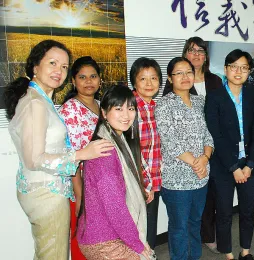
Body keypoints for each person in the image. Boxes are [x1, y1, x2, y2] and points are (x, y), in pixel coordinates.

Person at [4, 40, 113, 259]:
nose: (59, 71)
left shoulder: (39, 99)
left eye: (64, 66)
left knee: (48, 252)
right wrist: (82, 154)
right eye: (53, 63)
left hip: (45, 190)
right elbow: (35, 159)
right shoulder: (35, 103)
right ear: (35, 66)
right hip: (46, 194)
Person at [77, 85, 154, 260]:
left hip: (107, 232)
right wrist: (137, 244)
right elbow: (115, 207)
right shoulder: (105, 151)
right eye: (118, 108)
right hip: (104, 240)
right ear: (104, 112)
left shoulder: (117, 140)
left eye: (130, 108)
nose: (126, 115)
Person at [205, 49, 254, 260]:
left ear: (249, 70)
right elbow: (215, 135)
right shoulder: (214, 96)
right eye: (234, 67)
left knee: (248, 210)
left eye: (244, 67)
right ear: (226, 69)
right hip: (223, 165)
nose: (238, 71)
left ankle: (245, 251)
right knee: (225, 213)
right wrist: (233, 167)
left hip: (248, 163)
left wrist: (250, 164)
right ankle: (228, 254)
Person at [155, 57, 214, 260]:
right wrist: (196, 163)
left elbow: (208, 134)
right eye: (178, 73)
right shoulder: (163, 104)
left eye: (188, 72)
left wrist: (205, 158)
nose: (185, 76)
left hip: (201, 177)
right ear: (170, 79)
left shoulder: (200, 101)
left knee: (195, 223)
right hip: (176, 180)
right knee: (179, 228)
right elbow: (170, 140)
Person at [59, 56, 102, 260]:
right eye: (82, 77)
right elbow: (72, 155)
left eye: (93, 76)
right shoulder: (70, 109)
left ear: (100, 80)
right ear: (74, 81)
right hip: (81, 186)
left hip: (101, 184)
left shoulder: (102, 106)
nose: (88, 81)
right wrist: (80, 195)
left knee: (99, 238)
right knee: (82, 238)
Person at [129, 57, 163, 259]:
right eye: (143, 79)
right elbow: (131, 150)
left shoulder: (155, 107)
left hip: (153, 181)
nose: (149, 83)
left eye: (154, 78)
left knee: (149, 229)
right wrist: (144, 183)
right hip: (137, 182)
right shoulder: (130, 107)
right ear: (134, 82)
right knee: (134, 229)